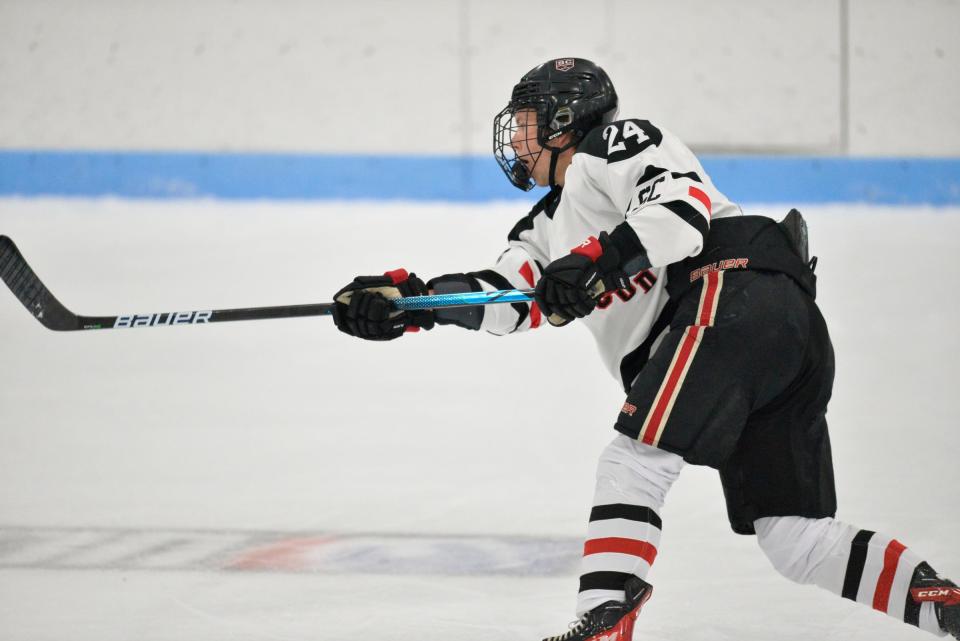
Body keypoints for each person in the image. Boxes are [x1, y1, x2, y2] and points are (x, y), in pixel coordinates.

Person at [331, 58, 959, 641]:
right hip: (771, 338)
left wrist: (599, 264)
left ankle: (602, 624)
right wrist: (409, 302)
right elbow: (509, 297)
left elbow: (682, 209)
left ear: (562, 122)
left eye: (527, 123)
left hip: (732, 300)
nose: (517, 140)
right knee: (795, 538)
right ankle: (944, 606)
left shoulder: (612, 145)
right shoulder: (546, 227)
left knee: (632, 463)